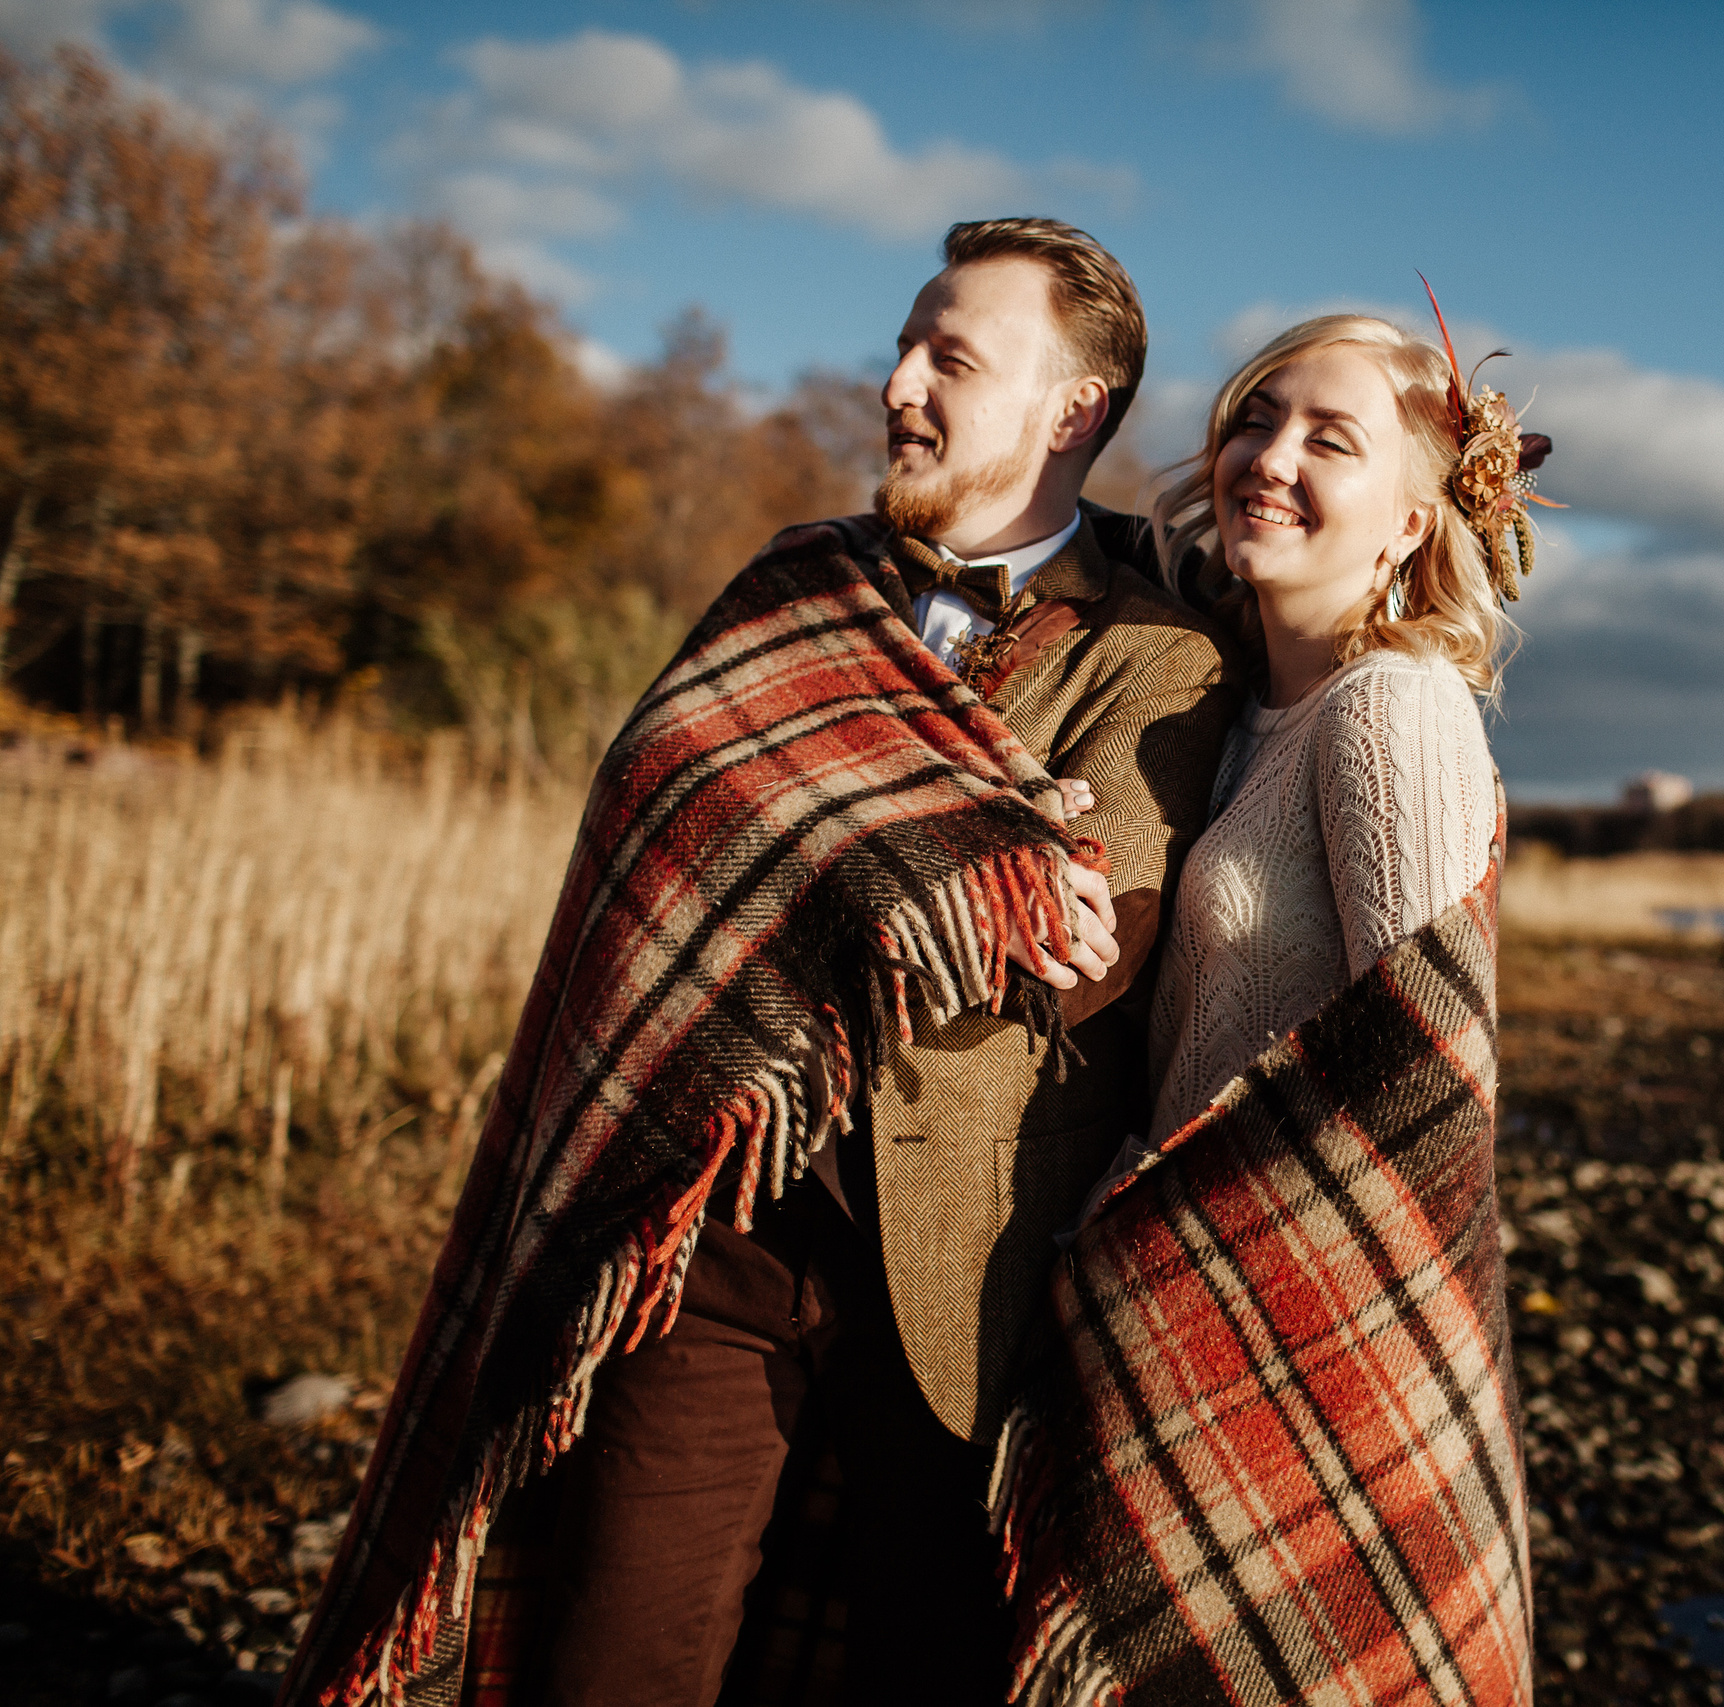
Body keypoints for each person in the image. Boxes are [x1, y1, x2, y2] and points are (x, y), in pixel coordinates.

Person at [280, 219, 1235, 1707]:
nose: (897, 383)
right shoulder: (791, 589)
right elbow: (658, 817)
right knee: (617, 1657)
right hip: (704, 1228)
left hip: (956, 1284)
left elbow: (1092, 944)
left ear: (1074, 410)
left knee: (909, 1673)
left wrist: (930, 867)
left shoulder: (1157, 654)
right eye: (906, 344)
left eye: (952, 359)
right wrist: (965, 857)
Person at [993, 310, 1545, 1707]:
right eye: (1255, 418)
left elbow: (1425, 1084)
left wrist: (1157, 1234)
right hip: (1187, 1313)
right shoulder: (1232, 715)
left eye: (1329, 438)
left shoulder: (1391, 713)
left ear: (1416, 520)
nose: (1269, 457)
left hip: (1307, 1338)